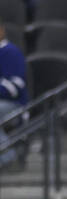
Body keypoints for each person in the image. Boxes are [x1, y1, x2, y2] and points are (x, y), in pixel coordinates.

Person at [0, 18, 28, 168]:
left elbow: (15, 87)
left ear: (2, 30)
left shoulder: (11, 52)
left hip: (14, 104)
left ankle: (7, 157)